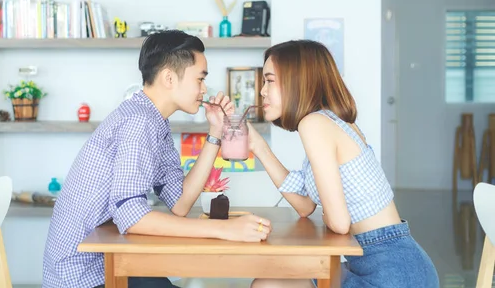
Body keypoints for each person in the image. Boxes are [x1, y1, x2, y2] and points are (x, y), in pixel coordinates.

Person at [42, 30, 272, 288]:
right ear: (169, 78)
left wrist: (215, 132)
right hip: (84, 275)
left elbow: (180, 203)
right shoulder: (139, 122)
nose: (204, 89)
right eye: (200, 79)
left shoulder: (154, 121)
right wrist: (225, 230)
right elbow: (131, 216)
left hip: (109, 261)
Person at [247, 40, 439, 288]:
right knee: (270, 280)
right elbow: (305, 206)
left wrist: (329, 212)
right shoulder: (327, 122)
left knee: (268, 284)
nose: (262, 90)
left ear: (298, 81)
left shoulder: (315, 124)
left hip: (394, 274)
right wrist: (258, 146)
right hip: (387, 262)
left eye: (269, 80)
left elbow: (339, 223)